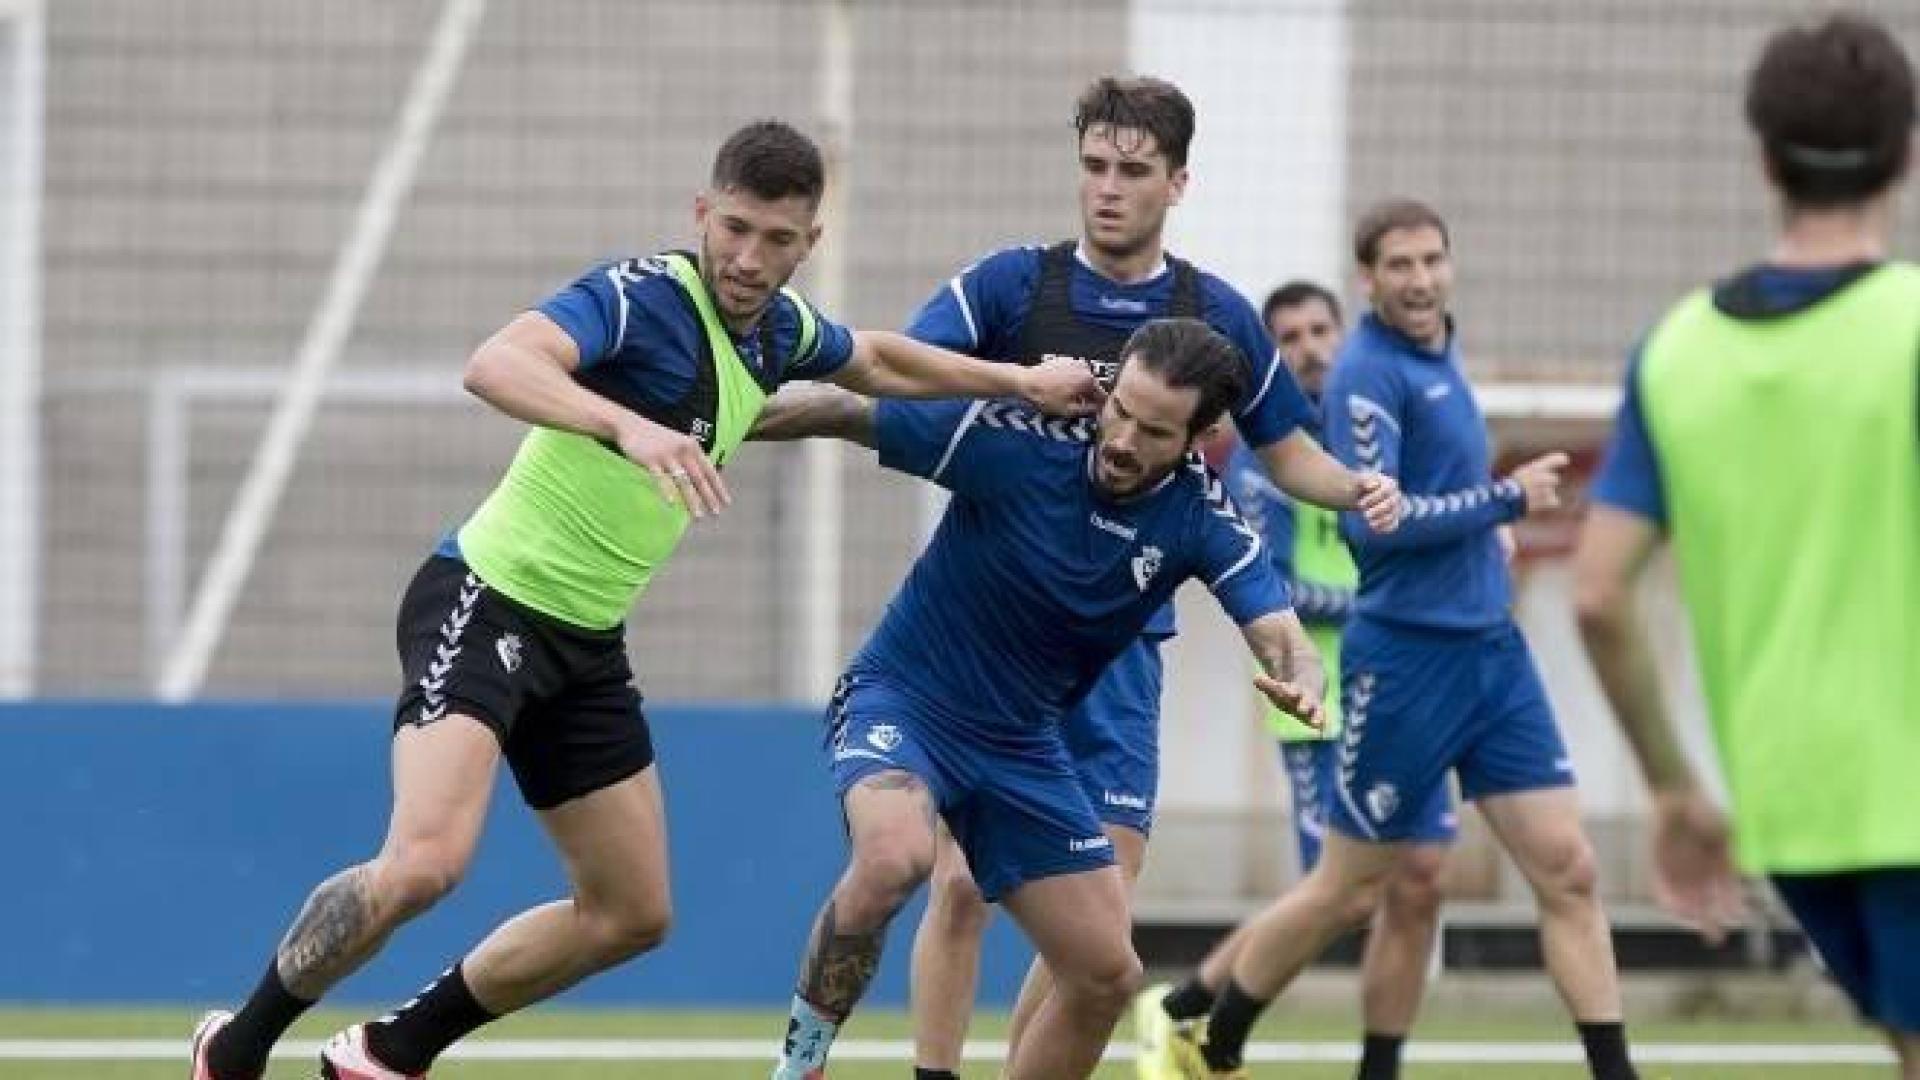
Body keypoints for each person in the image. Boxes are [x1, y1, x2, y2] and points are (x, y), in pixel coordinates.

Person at [185, 119, 1101, 1080]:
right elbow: (497, 363)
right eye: (734, 228)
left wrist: (1019, 381)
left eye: (777, 239)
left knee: (630, 915)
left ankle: (387, 1051)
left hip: (584, 642)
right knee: (424, 864)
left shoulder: (782, 330)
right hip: (488, 599)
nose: (748, 258)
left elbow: (876, 360)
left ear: (809, 242)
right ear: (702, 211)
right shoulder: (639, 296)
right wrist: (628, 426)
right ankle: (236, 1046)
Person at [893, 75, 1401, 1080]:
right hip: (998, 639)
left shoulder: (1213, 316)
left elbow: (1285, 452)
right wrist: (1011, 388)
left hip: (1121, 645)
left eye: (1132, 171)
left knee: (1099, 922)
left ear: (1177, 183)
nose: (1107, 188)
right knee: (958, 885)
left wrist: (1358, 489)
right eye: (1093, 166)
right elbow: (901, 369)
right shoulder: (1013, 286)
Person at [753, 318, 1331, 1080]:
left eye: (1154, 431)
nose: (1122, 439)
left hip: (1020, 744)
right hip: (905, 700)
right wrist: (707, 423)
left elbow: (1284, 635)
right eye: (1120, 410)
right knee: (897, 857)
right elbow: (846, 411)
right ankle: (799, 1065)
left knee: (1107, 976)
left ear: (1201, 439)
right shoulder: (1017, 436)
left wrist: (1304, 679)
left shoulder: (1200, 516)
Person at [1167, 200, 1641, 1080]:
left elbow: (1438, 487)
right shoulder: (1367, 378)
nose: (1420, 280)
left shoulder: (1441, 351)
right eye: (1400, 265)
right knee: (1347, 888)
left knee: (1567, 869)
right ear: (1369, 280)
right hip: (1405, 665)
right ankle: (1208, 1026)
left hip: (1492, 655)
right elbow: (1374, 525)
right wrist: (1503, 502)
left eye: (1432, 260)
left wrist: (1487, 535)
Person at [1574, 12, 1918, 1076]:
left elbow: (1598, 595)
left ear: (1765, 160)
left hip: (1793, 807)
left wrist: (1674, 790)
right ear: (1906, 155)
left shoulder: (1676, 354)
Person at [1136, 282, 1448, 1080]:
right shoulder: (1265, 460)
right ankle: (1186, 1012)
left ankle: (1374, 1061)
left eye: (1320, 330)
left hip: (1403, 686)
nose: (1310, 348)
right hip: (1314, 699)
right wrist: (1378, 604)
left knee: (1418, 881)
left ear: (1343, 335)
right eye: (1291, 337)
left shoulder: (1379, 438)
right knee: (1340, 892)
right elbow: (1269, 585)